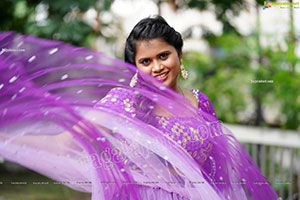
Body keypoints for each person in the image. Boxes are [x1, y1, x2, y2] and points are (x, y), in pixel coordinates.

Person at [0, 16, 279, 200]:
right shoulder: (123, 103)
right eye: (145, 61)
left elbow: (216, 166)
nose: (157, 67)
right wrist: (6, 140)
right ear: (135, 67)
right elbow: (63, 144)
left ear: (179, 56)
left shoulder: (200, 101)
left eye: (163, 55)